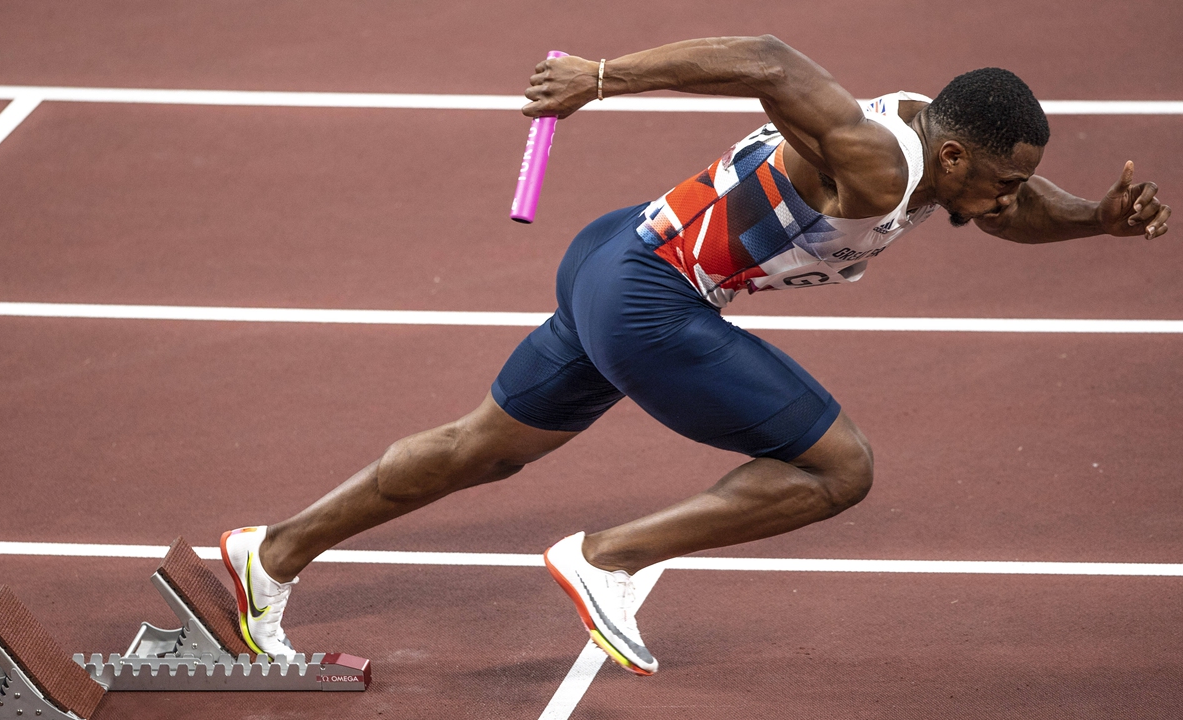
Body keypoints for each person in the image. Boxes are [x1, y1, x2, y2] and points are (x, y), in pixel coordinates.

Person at [219, 35, 1171, 676]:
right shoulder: (881, 162)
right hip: (652, 298)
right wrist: (601, 77)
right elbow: (767, 60)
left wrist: (1097, 222)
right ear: (956, 160)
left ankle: (273, 552)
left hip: (612, 256)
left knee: (484, 447)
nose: (1012, 202)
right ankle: (607, 561)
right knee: (842, 470)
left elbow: (1013, 210)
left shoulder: (937, 147)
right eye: (1005, 182)